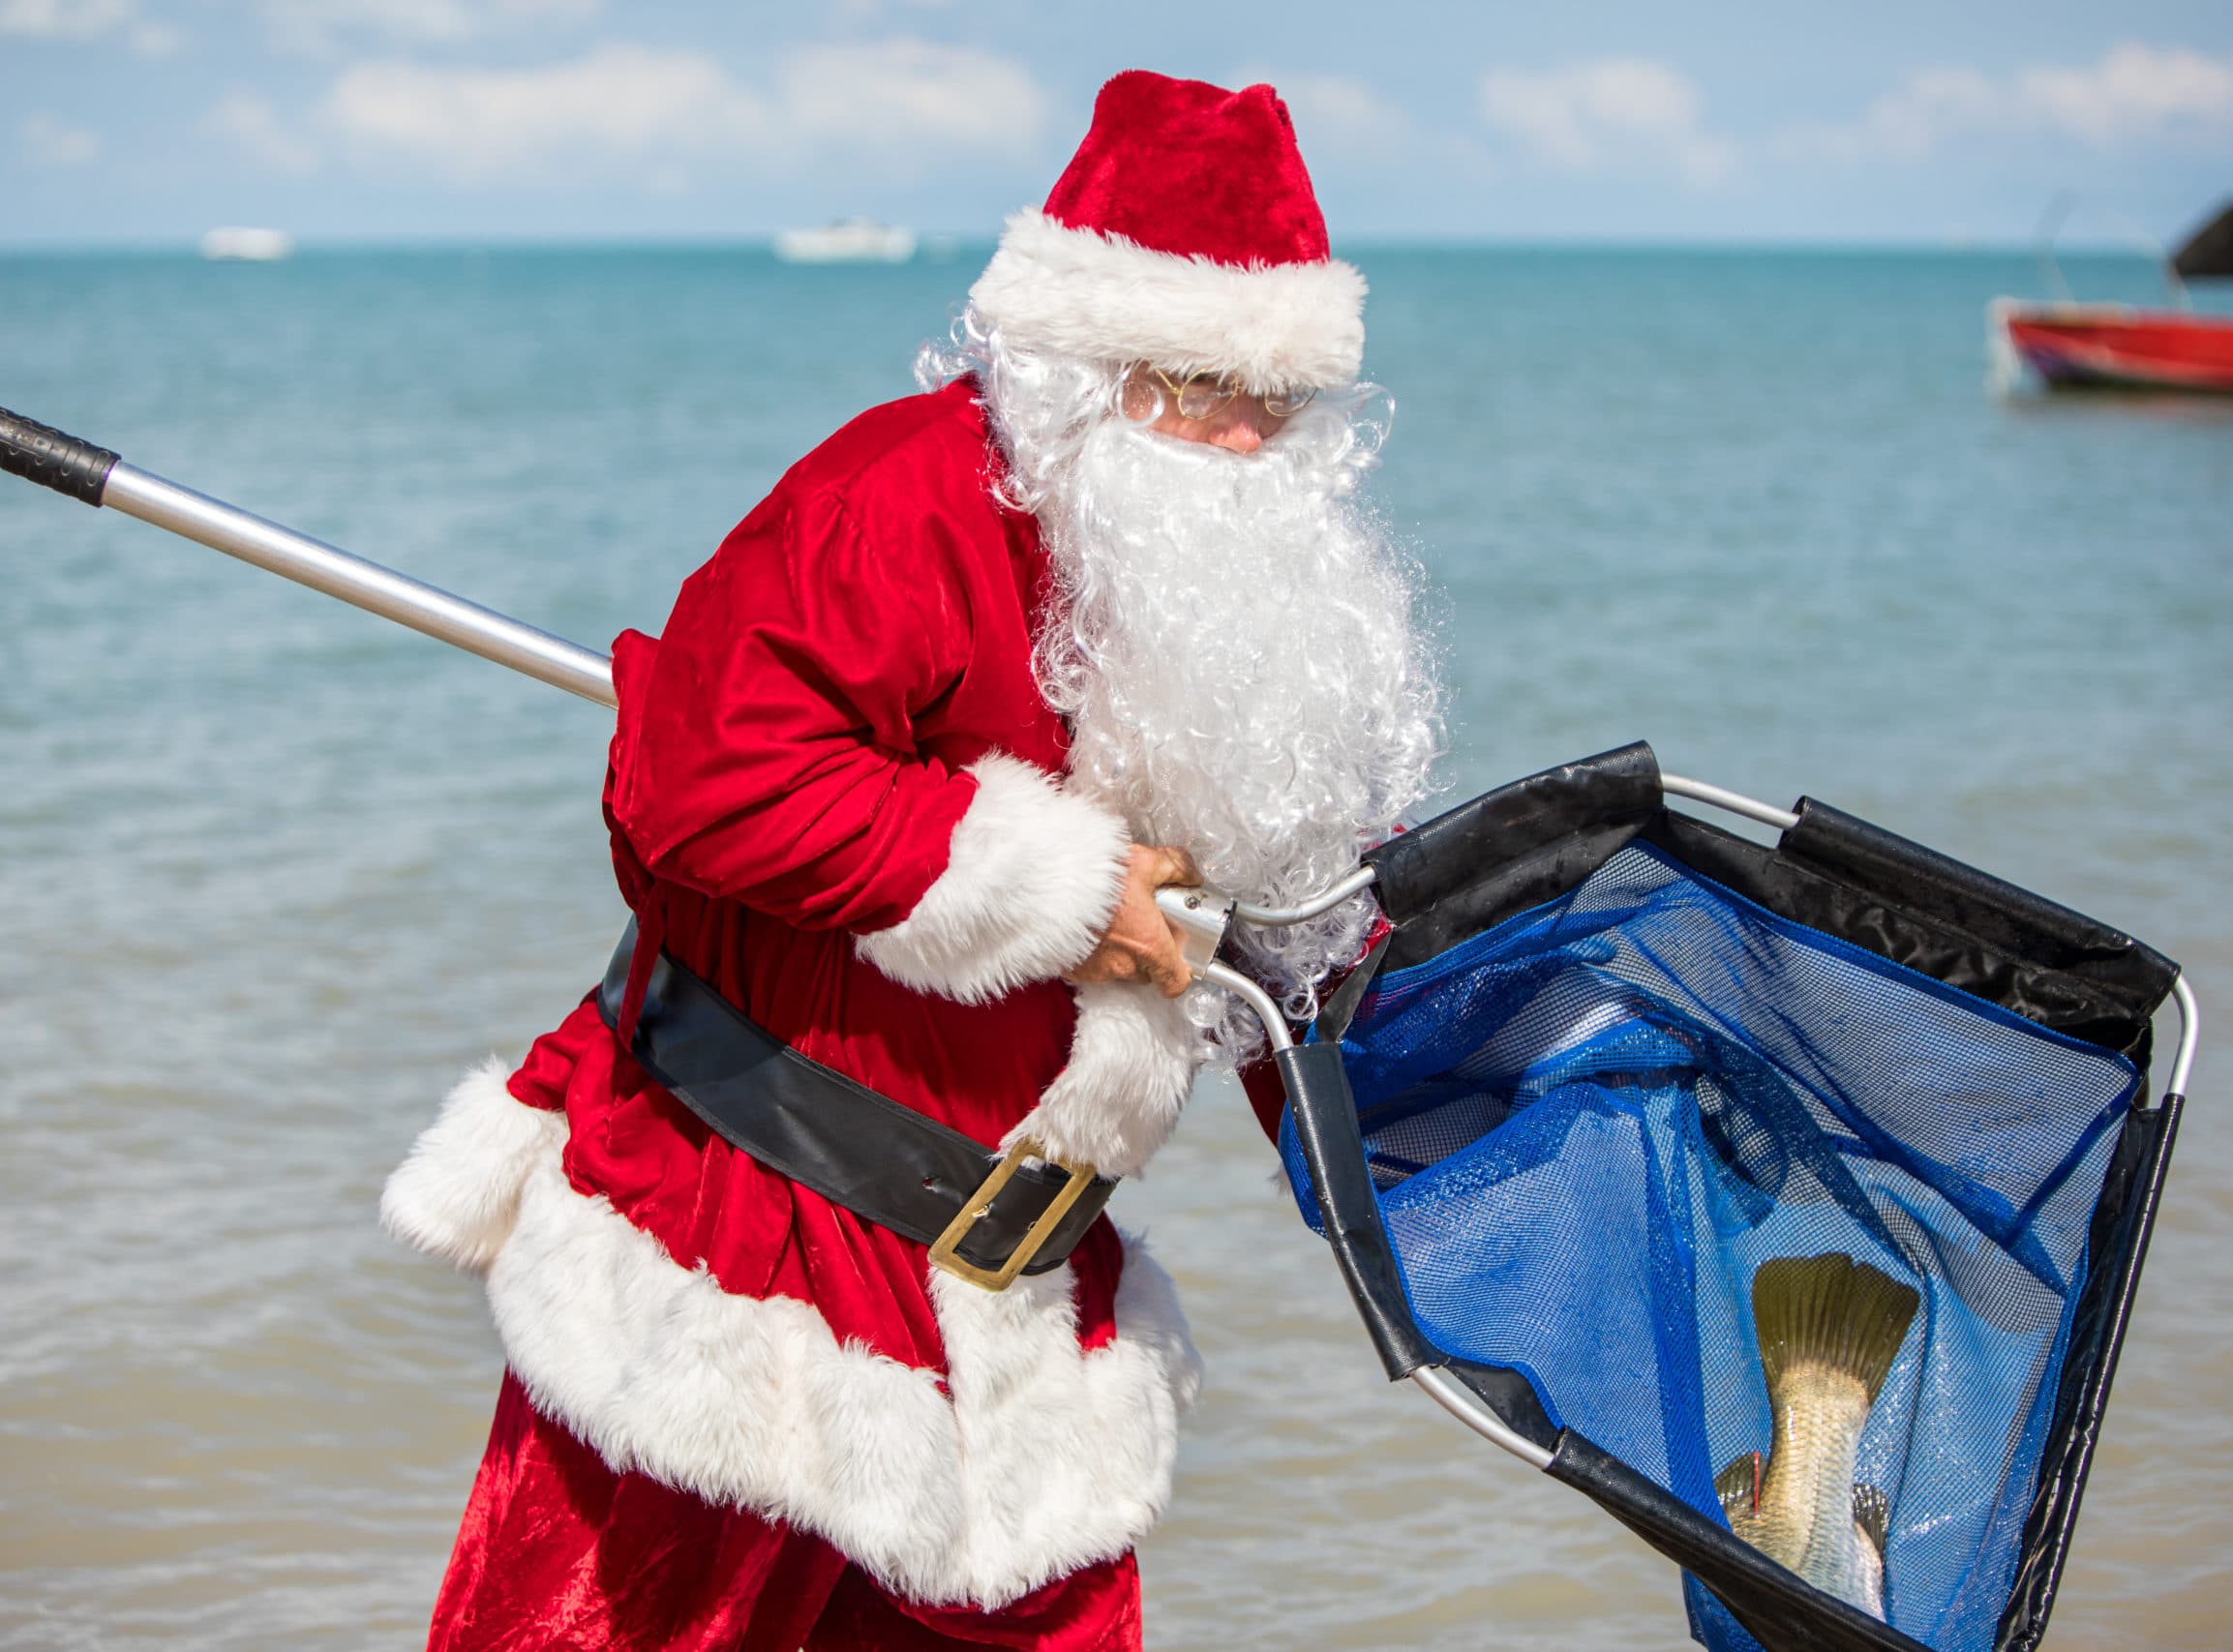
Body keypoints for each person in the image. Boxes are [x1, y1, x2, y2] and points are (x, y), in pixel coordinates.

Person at [380, 69, 1443, 1651]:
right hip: (741, 1247)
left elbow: (1294, 945)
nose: (1245, 432)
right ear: (1078, 362)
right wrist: (1070, 898)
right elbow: (697, 777)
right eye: (1201, 381)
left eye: (1278, 396)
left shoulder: (1250, 592)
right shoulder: (900, 497)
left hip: (1016, 1300)